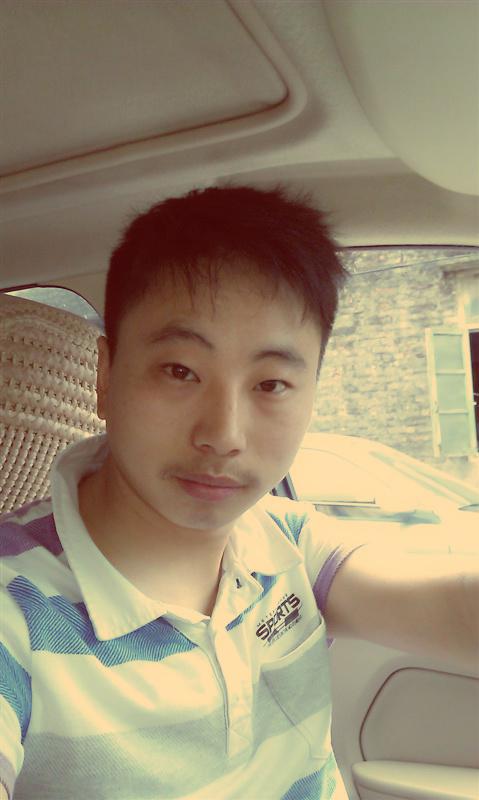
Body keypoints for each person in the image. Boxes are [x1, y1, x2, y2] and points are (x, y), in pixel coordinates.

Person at [0, 185, 477, 800]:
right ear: (105, 375)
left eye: (271, 384)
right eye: (180, 371)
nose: (223, 435)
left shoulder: (289, 541)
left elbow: (455, 609)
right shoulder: (16, 608)